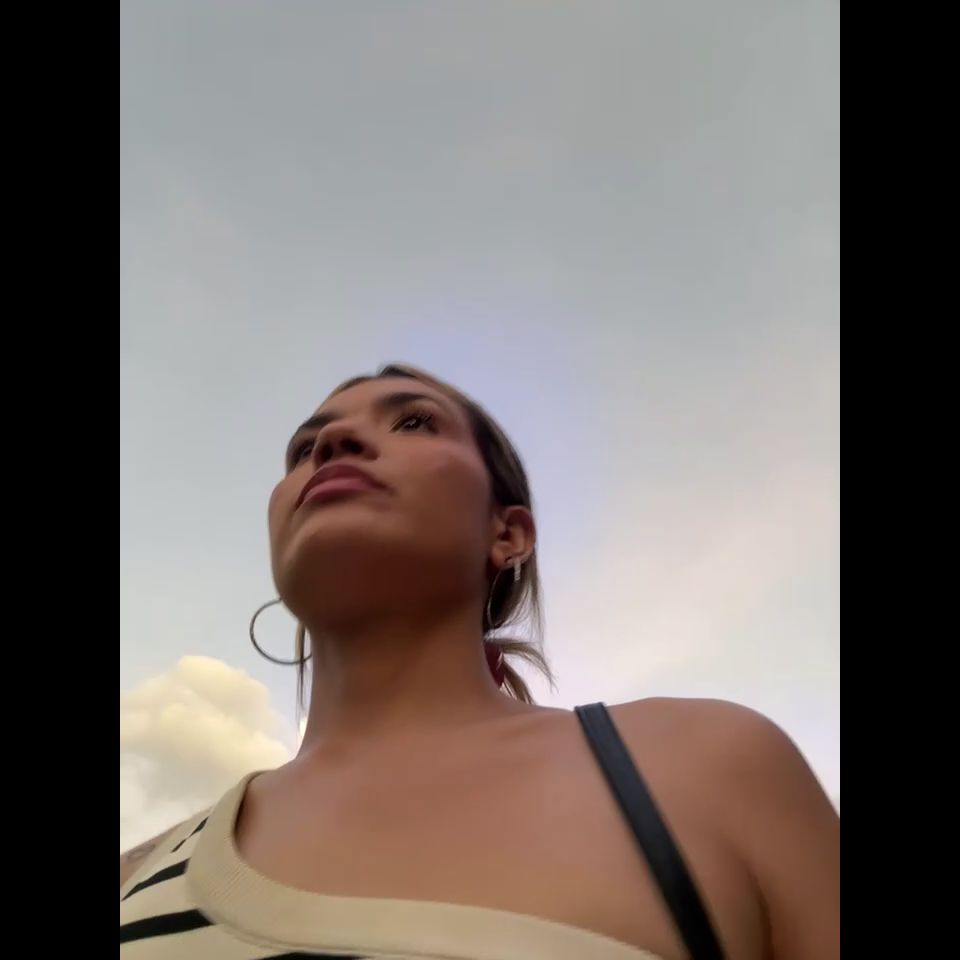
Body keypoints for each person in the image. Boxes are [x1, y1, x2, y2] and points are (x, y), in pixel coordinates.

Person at [120, 364, 840, 960]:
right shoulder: (139, 873)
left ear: (509, 534)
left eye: (413, 422)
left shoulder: (708, 769)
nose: (332, 442)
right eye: (304, 448)